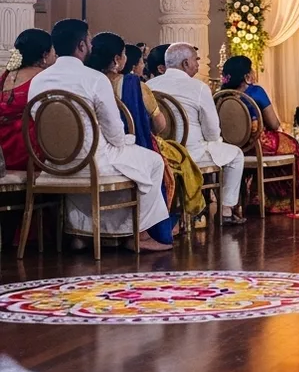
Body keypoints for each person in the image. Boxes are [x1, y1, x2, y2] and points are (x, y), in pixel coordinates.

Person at [26, 19, 171, 252]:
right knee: (152, 162)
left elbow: (36, 119)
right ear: (82, 46)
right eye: (89, 41)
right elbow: (114, 131)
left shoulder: (38, 80)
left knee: (114, 162)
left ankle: (81, 234)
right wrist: (124, 142)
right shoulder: (94, 79)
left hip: (54, 164)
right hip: (93, 162)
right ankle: (139, 234)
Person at [148, 43, 246, 225]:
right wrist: (214, 140)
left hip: (160, 152)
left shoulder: (149, 85)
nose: (197, 64)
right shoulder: (199, 88)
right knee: (235, 155)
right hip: (190, 153)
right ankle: (225, 210)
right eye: (196, 60)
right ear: (185, 63)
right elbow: (212, 131)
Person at [115, 41, 207, 225]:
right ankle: (158, 225)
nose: (143, 65)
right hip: (135, 146)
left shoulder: (101, 82)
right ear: (123, 61)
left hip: (98, 149)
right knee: (173, 157)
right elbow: (160, 125)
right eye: (141, 62)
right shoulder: (138, 87)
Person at [220, 56, 299, 214]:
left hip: (230, 146)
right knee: (295, 148)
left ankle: (257, 199)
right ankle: (280, 201)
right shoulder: (256, 91)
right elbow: (273, 124)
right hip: (257, 144)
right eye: (251, 69)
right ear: (246, 76)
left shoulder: (220, 95)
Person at [0, 29, 53, 174]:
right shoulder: (43, 77)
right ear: (44, 54)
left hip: (2, 148)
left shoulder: (7, 74)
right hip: (25, 149)